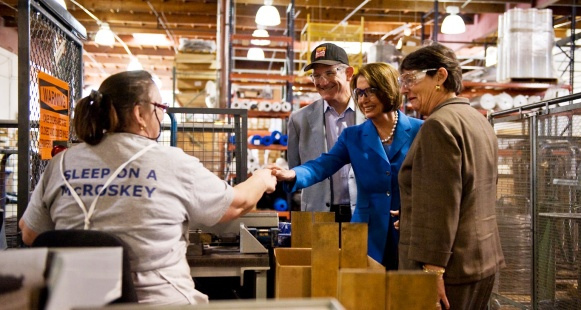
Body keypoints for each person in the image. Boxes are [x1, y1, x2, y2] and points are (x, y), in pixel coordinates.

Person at [19, 70, 277, 305]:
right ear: (139, 114)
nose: (162, 113)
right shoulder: (171, 162)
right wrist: (263, 178)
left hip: (73, 301)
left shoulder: (61, 163)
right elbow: (236, 203)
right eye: (159, 106)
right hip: (160, 301)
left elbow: (31, 234)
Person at [272, 62, 423, 269]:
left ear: (388, 89)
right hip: (366, 234)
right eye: (359, 93)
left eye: (371, 91)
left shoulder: (420, 131)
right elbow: (323, 164)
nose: (363, 99)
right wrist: (292, 174)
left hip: (409, 230)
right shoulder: (354, 136)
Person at [396, 42, 505, 309]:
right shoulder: (477, 119)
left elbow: (441, 207)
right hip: (481, 260)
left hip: (449, 270)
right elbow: (471, 190)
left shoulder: (438, 125)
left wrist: (433, 271)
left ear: (441, 77)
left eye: (411, 79)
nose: (404, 88)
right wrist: (412, 212)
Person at [287, 42, 365, 220]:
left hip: (362, 214)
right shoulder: (299, 120)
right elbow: (296, 170)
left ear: (348, 73)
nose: (322, 82)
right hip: (318, 215)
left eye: (330, 73)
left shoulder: (369, 113)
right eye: (316, 76)